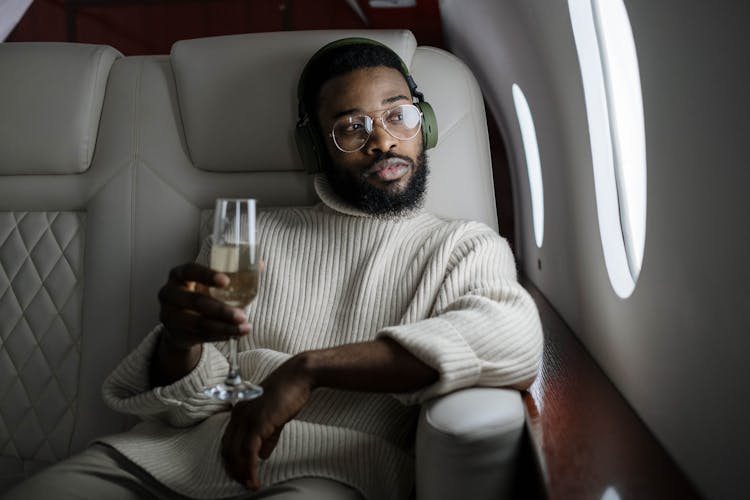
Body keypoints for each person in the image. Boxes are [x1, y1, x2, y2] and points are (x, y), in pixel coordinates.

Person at [3, 38, 543, 500]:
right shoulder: (246, 233)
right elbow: (198, 397)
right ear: (316, 148)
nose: (382, 141)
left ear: (422, 122)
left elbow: (511, 340)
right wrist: (179, 340)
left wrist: (307, 370)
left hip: (326, 471)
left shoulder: (462, 247)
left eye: (397, 115)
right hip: (162, 462)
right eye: (351, 128)